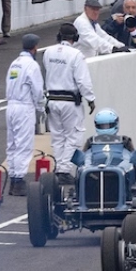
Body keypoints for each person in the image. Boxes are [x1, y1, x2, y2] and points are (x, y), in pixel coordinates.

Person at [43, 24, 94, 170]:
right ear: (75, 38)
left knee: (57, 137)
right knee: (73, 137)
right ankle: (64, 169)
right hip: (70, 102)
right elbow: (83, 80)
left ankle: (59, 166)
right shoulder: (76, 55)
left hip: (52, 100)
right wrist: (90, 99)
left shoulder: (48, 52)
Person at [2, 34, 45, 195]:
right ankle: (19, 180)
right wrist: (41, 107)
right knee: (24, 145)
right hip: (24, 107)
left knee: (12, 144)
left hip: (11, 106)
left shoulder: (15, 63)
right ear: (34, 48)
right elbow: (38, 90)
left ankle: (13, 177)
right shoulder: (32, 65)